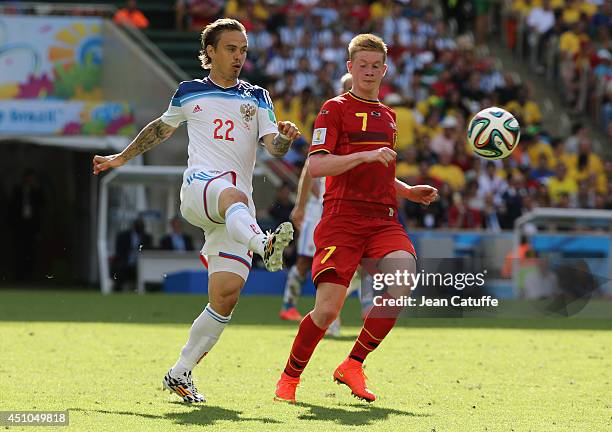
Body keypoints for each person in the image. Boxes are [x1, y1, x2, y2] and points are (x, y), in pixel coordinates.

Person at [92, 18, 300, 403]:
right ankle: (264, 245)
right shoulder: (189, 92)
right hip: (200, 189)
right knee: (234, 197)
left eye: (243, 50)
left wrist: (285, 139)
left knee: (226, 294)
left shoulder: (258, 97)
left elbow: (272, 147)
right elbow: (161, 128)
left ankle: (180, 372)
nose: (239, 56)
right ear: (210, 52)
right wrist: (121, 157)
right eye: (230, 49)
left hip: (235, 209)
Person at [274, 34, 438, 403]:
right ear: (350, 68)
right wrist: (364, 156)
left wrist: (408, 191)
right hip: (341, 218)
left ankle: (353, 363)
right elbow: (317, 165)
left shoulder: (390, 116)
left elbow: (379, 169)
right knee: (328, 308)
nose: (368, 71)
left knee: (401, 282)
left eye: (375, 66)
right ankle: (289, 378)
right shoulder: (334, 109)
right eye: (361, 65)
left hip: (382, 220)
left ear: (385, 69)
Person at [113, 217, 153, 291]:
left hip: (140, 264)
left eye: (141, 225)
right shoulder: (123, 236)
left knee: (148, 271)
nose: (139, 227)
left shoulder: (147, 237)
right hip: (126, 263)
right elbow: (119, 252)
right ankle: (117, 291)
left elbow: (149, 251)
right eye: (138, 224)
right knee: (119, 269)